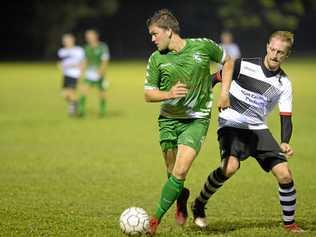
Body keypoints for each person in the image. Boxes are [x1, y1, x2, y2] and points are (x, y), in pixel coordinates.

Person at [191, 31, 304, 233]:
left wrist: (285, 141)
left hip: (258, 128)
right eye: (272, 49)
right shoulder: (243, 65)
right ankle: (199, 203)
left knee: (284, 174)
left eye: (280, 52)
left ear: (286, 56)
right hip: (231, 123)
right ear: (267, 46)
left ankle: (290, 225)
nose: (274, 55)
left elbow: (286, 116)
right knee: (230, 168)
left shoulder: (284, 84)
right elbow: (216, 77)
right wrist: (201, 93)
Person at [144, 9, 234, 235]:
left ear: (169, 31)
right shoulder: (156, 59)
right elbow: (148, 94)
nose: (152, 39)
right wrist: (169, 94)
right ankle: (180, 197)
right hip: (169, 121)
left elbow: (228, 61)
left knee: (181, 171)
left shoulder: (202, 46)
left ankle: (154, 220)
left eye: (155, 34)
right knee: (172, 171)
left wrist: (224, 92)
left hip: (197, 119)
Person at [78, 29, 110, 117]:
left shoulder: (102, 47)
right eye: (87, 36)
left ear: (96, 36)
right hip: (89, 74)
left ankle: (103, 112)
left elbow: (105, 60)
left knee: (102, 94)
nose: (89, 38)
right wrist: (81, 72)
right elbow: (85, 61)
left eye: (90, 36)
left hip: (100, 74)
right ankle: (81, 111)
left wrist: (101, 71)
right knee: (83, 91)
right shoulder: (86, 48)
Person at [57, 33, 84, 116]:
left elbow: (82, 62)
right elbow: (61, 62)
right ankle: (75, 103)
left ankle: (73, 112)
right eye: (65, 41)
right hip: (66, 75)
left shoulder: (78, 50)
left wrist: (81, 73)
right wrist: (60, 66)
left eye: (68, 40)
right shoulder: (62, 51)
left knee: (71, 93)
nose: (66, 42)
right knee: (64, 94)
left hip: (74, 74)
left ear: (73, 40)